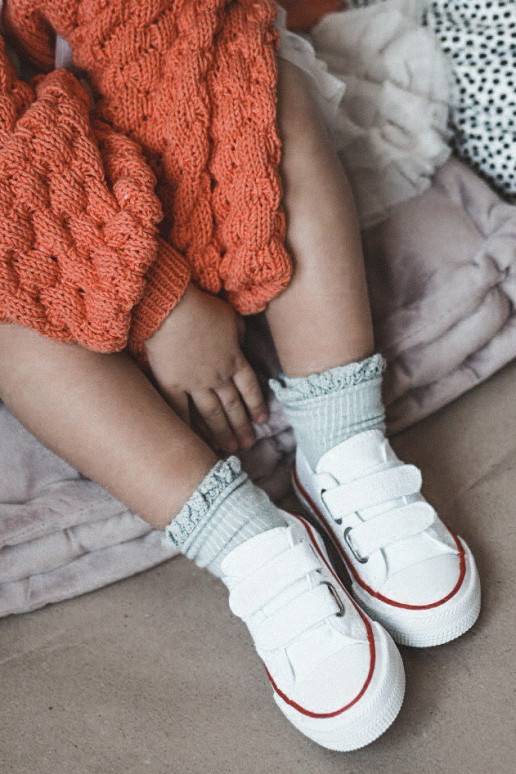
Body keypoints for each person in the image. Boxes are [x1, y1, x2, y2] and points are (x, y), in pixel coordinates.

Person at [0, 0, 480, 752]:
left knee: (250, 77)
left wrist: (191, 195)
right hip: (29, 210)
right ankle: (248, 544)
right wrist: (154, 298)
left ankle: (345, 442)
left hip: (143, 76)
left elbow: (164, 29)